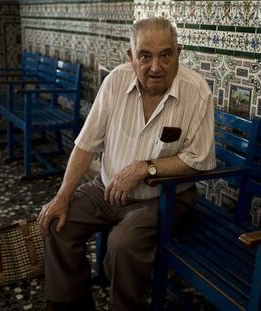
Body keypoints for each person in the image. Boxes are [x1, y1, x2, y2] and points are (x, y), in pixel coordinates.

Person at [38, 17, 216, 311]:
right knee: (59, 224)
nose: (156, 66)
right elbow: (85, 145)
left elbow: (200, 160)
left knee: (122, 245)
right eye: (145, 56)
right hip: (106, 189)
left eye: (165, 55)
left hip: (163, 199)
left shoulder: (196, 91)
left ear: (178, 53)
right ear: (131, 57)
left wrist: (145, 168)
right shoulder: (115, 82)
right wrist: (63, 195)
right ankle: (71, 303)